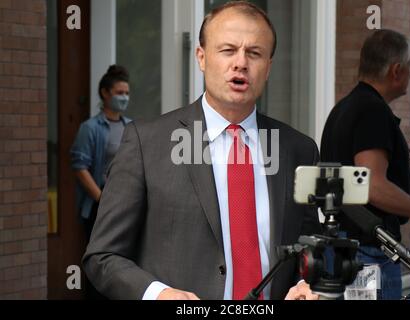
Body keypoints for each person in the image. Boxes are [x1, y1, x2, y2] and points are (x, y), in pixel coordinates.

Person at [83, 1, 321, 300]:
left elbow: (310, 248)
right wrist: (158, 294)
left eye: (254, 53)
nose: (240, 63)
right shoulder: (147, 143)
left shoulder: (298, 149)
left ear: (268, 67)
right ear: (201, 57)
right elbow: (102, 256)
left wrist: (309, 282)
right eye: (228, 50)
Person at [320, 29, 410, 300]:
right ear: (396, 70)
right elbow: (372, 186)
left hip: (345, 248)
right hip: (367, 254)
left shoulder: (343, 109)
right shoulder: (372, 111)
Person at [71, 65, 132, 241]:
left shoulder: (131, 126)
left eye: (127, 93)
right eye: (119, 92)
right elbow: (80, 167)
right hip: (100, 204)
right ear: (105, 93)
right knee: (99, 259)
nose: (124, 97)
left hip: (126, 201)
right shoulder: (90, 128)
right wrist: (101, 199)